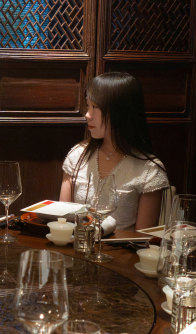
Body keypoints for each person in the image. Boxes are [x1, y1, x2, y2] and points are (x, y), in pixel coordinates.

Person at [59, 72, 169, 230]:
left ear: (120, 112)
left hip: (123, 254)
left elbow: (142, 240)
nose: (87, 115)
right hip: (77, 251)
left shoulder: (149, 170)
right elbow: (63, 223)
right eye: (87, 106)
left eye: (95, 107)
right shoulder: (77, 156)